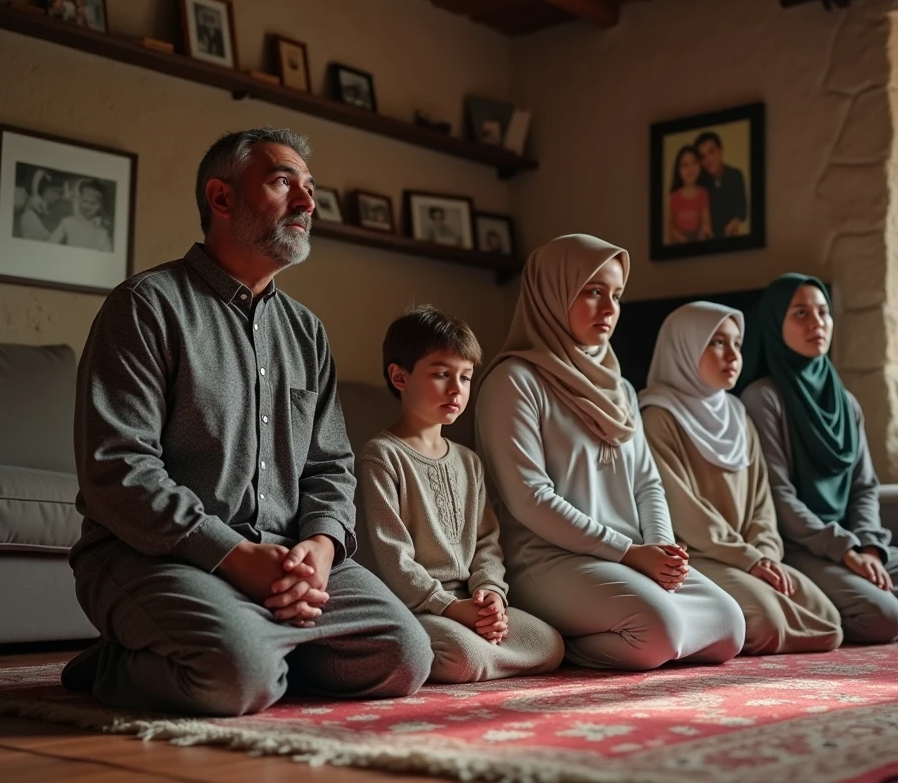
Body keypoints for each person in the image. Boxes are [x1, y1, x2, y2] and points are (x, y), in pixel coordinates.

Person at [63, 127, 432, 716]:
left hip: (285, 555)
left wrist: (319, 545)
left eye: (310, 189)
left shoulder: (307, 331)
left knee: (404, 655)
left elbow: (330, 463)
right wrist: (234, 557)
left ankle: (244, 646)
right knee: (239, 677)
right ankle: (128, 658)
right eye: (284, 182)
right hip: (154, 555)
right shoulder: (144, 306)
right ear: (222, 197)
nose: (308, 204)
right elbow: (118, 469)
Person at [475, 234, 745, 670]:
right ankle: (560, 645)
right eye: (593, 292)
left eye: (616, 295)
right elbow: (530, 497)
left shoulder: (619, 388)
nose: (609, 309)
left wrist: (659, 548)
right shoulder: (514, 382)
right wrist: (629, 552)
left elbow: (647, 482)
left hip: (630, 556)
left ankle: (604, 631)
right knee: (659, 633)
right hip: (549, 561)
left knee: (729, 626)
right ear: (552, 293)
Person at [739, 274, 898, 644]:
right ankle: (874, 610)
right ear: (774, 323)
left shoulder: (845, 401)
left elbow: (864, 487)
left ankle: (877, 606)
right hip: (800, 547)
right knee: (884, 619)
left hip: (854, 545)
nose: (817, 324)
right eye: (800, 313)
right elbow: (777, 496)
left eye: (823, 313)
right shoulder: (762, 398)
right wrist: (845, 551)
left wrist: (868, 547)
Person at [356, 306, 565, 683]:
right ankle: (466, 655)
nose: (456, 389)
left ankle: (484, 651)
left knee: (549, 643)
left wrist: (489, 597)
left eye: (466, 377)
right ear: (399, 377)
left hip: (469, 603)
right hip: (418, 605)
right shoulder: (381, 456)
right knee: (461, 656)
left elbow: (487, 543)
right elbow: (392, 558)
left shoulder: (469, 461)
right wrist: (451, 608)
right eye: (441, 374)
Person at [640, 302, 842, 654]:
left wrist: (765, 554)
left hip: (749, 554)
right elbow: (685, 512)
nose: (733, 355)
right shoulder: (658, 416)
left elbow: (762, 503)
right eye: (717, 343)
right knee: (767, 624)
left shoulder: (738, 415)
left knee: (829, 621)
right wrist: (749, 559)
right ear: (684, 348)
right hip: (698, 556)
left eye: (736, 343)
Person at [695, 132, 747, 238]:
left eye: (711, 152)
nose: (708, 160)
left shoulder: (735, 175)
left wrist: (736, 221)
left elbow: (742, 206)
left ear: (721, 150)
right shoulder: (699, 183)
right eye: (703, 157)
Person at [48, 179, 113, 252]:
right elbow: (50, 244)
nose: (87, 206)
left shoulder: (103, 233)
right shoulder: (68, 222)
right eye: (85, 201)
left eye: (93, 203)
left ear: (100, 205)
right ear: (79, 199)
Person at [667, 145, 712, 244]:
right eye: (685, 165)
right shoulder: (673, 197)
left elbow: (706, 224)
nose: (690, 169)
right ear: (678, 170)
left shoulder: (703, 193)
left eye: (694, 163)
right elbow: (670, 229)